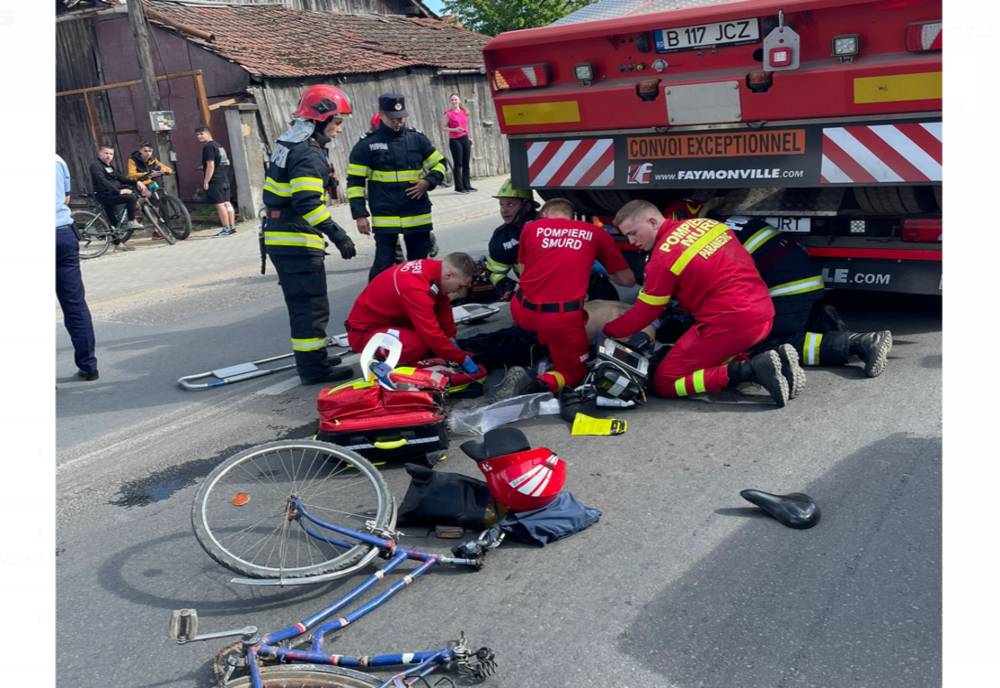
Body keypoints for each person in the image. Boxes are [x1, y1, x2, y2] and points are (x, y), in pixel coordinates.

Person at [601, 200, 804, 407]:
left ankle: (752, 370)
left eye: (633, 232)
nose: (631, 240)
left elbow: (645, 313)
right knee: (703, 361)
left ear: (653, 222)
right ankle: (773, 363)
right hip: (764, 314)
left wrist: (607, 331)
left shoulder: (662, 260)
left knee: (665, 382)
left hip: (729, 325)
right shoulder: (709, 225)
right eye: (627, 235)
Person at [664, 198, 893, 378]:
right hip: (799, 280)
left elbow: (720, 291)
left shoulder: (705, 241)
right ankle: (819, 321)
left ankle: (859, 343)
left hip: (787, 288)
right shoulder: (727, 223)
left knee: (765, 342)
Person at [261, 84, 358, 386]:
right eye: (337, 121)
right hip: (296, 239)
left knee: (304, 305)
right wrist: (339, 234)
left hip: (281, 236)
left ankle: (313, 358)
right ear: (319, 119)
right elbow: (306, 203)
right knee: (311, 308)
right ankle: (314, 370)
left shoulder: (288, 142)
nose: (340, 129)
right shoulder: (308, 154)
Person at [492, 198, 635, 399]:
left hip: (522, 310)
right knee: (574, 373)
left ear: (544, 215)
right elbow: (627, 281)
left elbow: (524, 275)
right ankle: (536, 383)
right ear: (573, 218)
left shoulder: (530, 229)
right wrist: (603, 268)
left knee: (549, 326)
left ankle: (549, 348)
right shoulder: (595, 233)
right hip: (559, 319)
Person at [347, 93, 447, 282]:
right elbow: (355, 182)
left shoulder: (417, 139)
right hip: (386, 216)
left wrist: (429, 182)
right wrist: (360, 215)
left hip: (417, 214)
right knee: (383, 266)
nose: (397, 122)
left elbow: (440, 164)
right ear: (381, 115)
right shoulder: (366, 145)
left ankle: (420, 302)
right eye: (392, 117)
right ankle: (375, 305)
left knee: (418, 267)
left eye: (400, 117)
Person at [346, 253, 479, 372]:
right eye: (460, 286)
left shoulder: (434, 269)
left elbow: (443, 307)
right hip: (364, 334)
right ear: (449, 275)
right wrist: (461, 359)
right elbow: (431, 333)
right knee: (417, 345)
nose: (458, 291)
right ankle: (389, 365)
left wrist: (450, 338)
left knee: (436, 341)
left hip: (388, 322)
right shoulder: (415, 289)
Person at [57, 154, 98, 381]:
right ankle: (89, 365)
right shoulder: (58, 161)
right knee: (74, 304)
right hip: (62, 233)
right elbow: (65, 198)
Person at [88, 143, 149, 251]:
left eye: (111, 154)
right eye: (106, 153)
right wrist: (118, 191)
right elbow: (102, 181)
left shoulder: (109, 167)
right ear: (100, 153)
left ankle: (118, 245)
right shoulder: (95, 165)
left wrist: (137, 182)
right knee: (130, 198)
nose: (108, 156)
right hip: (103, 195)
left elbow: (121, 178)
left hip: (110, 194)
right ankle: (131, 221)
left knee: (113, 219)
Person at [485, 178, 538, 300]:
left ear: (527, 206)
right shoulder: (501, 237)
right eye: (501, 205)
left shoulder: (545, 224)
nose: (504, 210)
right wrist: (510, 287)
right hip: (532, 293)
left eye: (511, 204)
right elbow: (495, 272)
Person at [195, 126, 236, 237]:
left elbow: (211, 165)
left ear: (209, 133)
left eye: (201, 134)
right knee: (227, 203)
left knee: (219, 205)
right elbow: (225, 162)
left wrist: (206, 181)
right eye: (197, 135)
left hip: (215, 180)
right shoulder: (219, 146)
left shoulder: (208, 147)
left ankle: (226, 228)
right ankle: (232, 227)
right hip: (224, 178)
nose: (199, 136)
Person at [441, 93, 475, 194]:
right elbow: (443, 127)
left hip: (464, 138)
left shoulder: (464, 112)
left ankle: (467, 185)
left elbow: (465, 126)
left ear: (459, 101)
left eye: (455, 99)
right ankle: (459, 188)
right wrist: (454, 129)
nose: (454, 102)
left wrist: (468, 138)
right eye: (452, 100)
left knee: (466, 163)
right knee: (458, 164)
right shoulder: (448, 114)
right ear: (450, 102)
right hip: (455, 139)